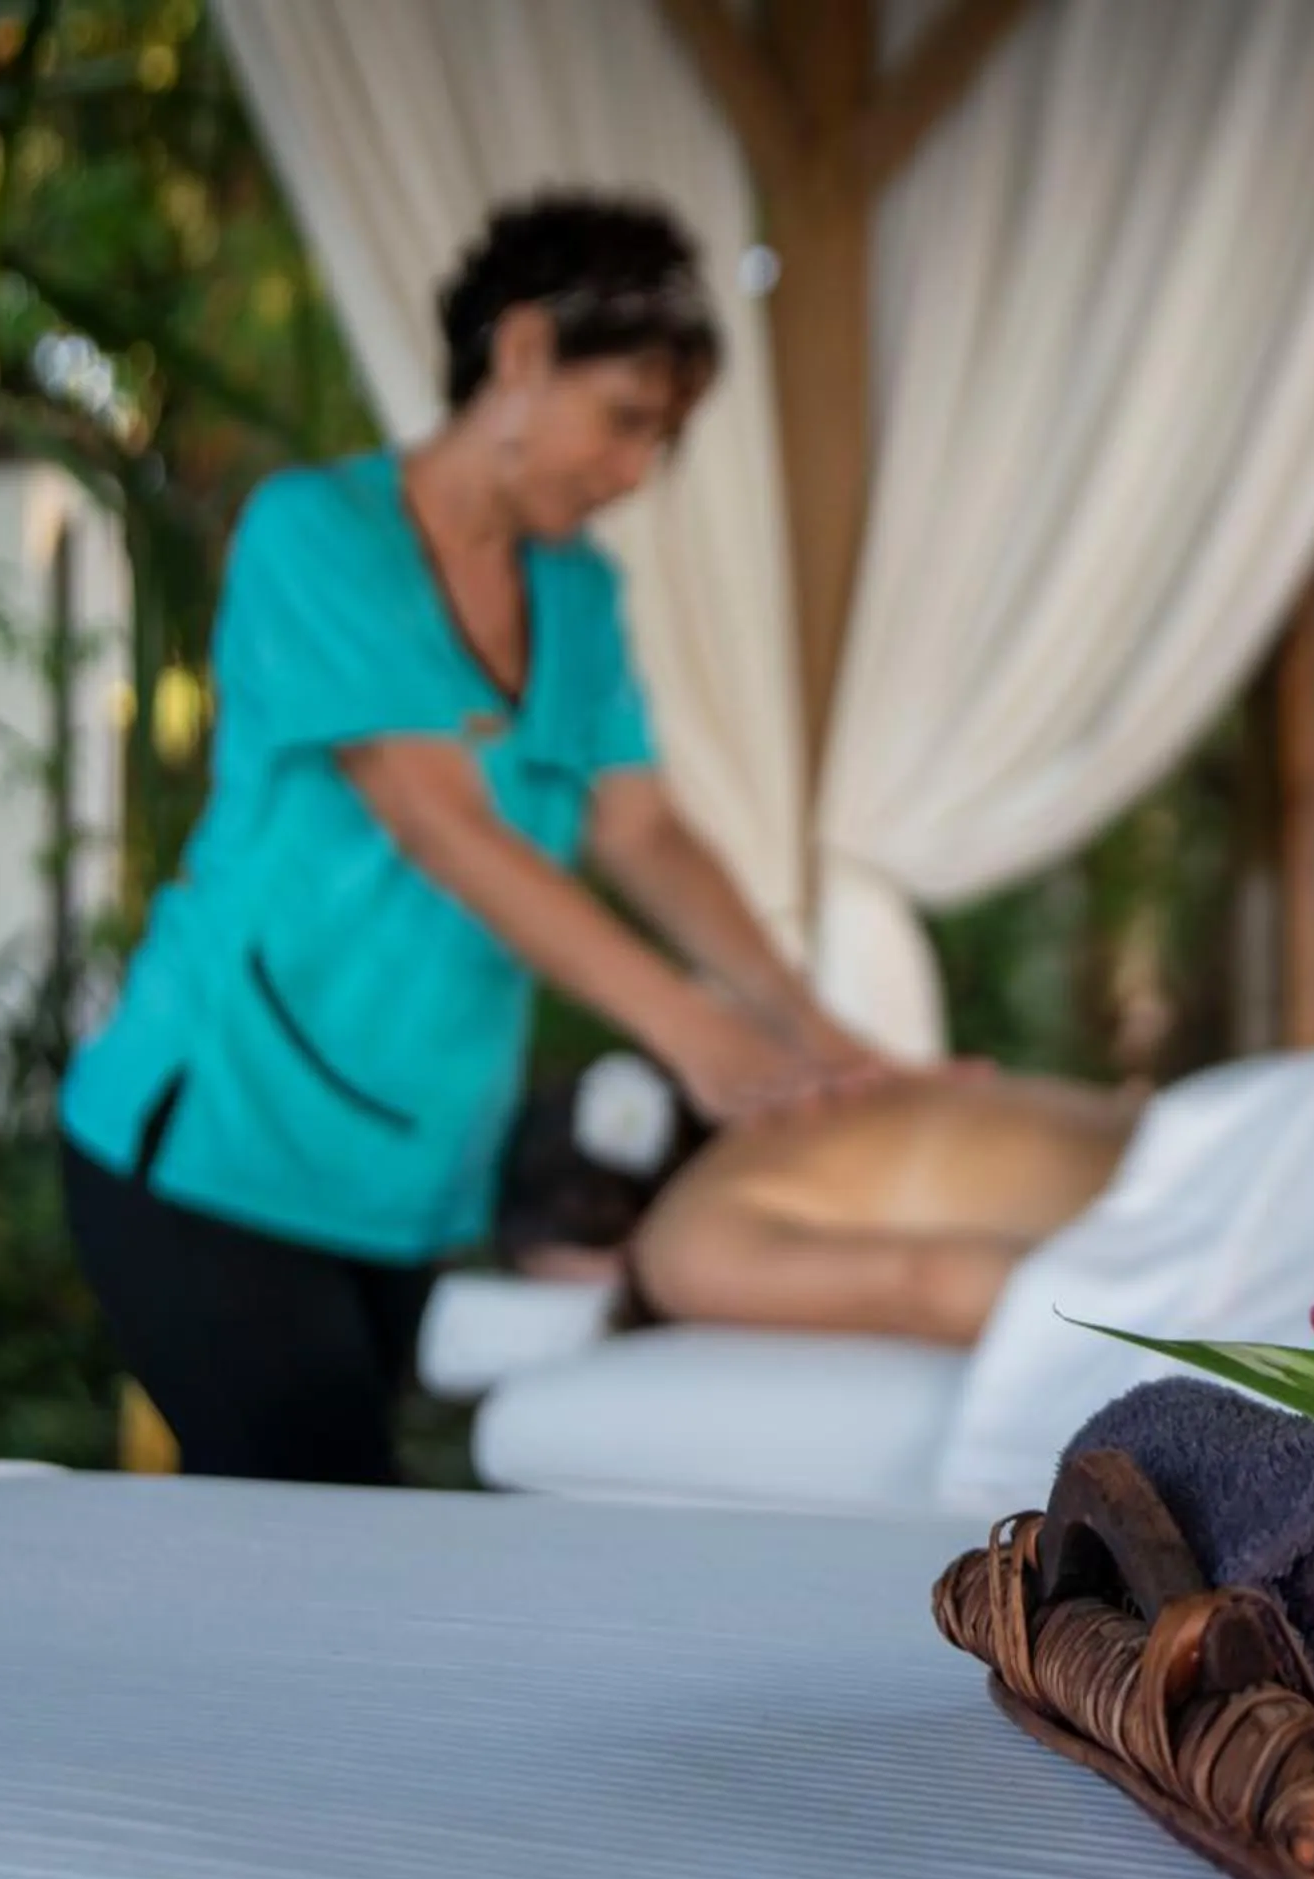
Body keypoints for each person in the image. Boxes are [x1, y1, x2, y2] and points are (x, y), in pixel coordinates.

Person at [60, 193, 888, 1485]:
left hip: (405, 1173)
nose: (634, 472)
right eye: (623, 420)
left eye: (659, 440)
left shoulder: (578, 591)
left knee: (304, 1531)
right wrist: (694, 1032)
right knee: (324, 1524)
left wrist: (801, 1022)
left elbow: (645, 829)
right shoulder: (319, 534)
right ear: (517, 353)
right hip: (215, 1147)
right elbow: (440, 825)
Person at [496, 1054, 1144, 1346]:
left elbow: (926, 1283)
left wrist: (1148, 1335)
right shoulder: (796, 1092)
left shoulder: (682, 1247)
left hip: (1167, 1241)